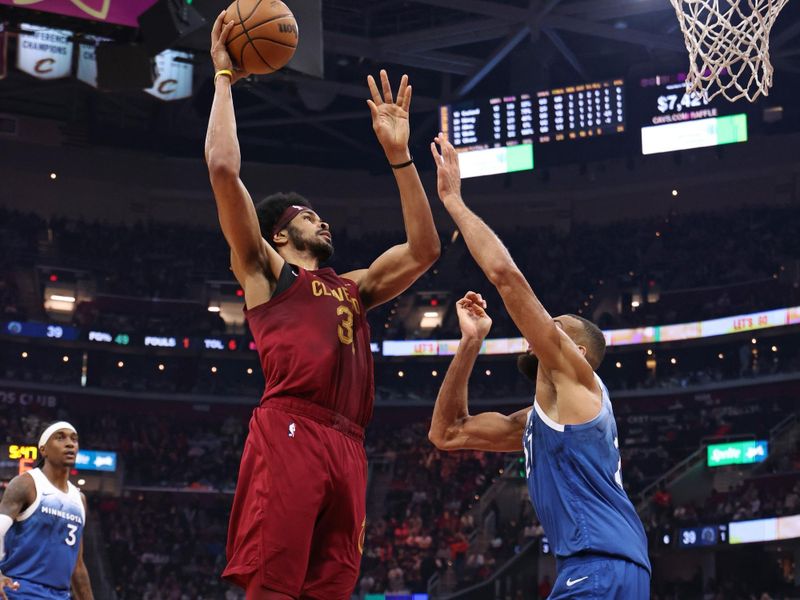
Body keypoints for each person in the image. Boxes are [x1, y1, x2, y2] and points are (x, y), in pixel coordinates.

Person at [205, 13, 440, 600]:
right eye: (308, 215)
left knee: (331, 590)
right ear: (280, 236)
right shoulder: (265, 271)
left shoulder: (353, 287)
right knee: (274, 585)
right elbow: (223, 169)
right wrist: (224, 78)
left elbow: (425, 249)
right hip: (292, 426)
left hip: (350, 443)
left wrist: (399, 156)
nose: (323, 218)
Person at [427, 136, 650, 599]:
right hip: (599, 566)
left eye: (557, 326)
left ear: (579, 353)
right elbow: (447, 433)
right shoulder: (537, 423)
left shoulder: (580, 381)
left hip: (600, 564)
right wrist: (470, 343)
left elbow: (506, 278)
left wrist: (453, 201)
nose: (544, 327)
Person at [0, 422, 93, 600]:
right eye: (60, 437)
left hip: (59, 595)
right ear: (43, 449)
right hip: (19, 590)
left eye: (74, 439)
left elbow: (77, 565)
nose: (70, 443)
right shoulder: (27, 483)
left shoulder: (79, 499)